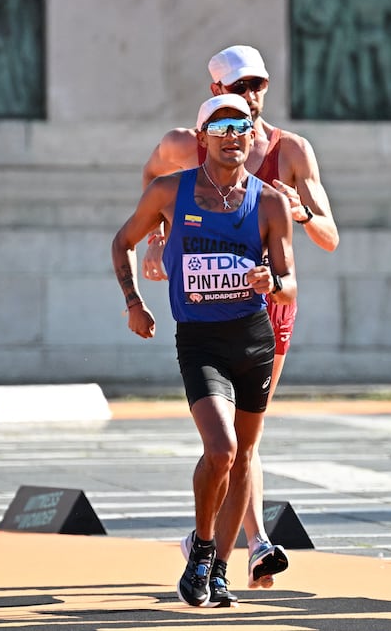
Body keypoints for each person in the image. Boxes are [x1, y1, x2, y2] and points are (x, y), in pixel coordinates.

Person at [140, 45, 339, 589]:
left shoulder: (290, 150)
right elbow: (151, 179)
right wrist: (157, 239)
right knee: (228, 442)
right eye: (237, 87)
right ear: (215, 93)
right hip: (208, 314)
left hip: (269, 307)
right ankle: (253, 544)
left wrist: (302, 213)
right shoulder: (186, 145)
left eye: (257, 85)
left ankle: (217, 543)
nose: (249, 96)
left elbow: (329, 237)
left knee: (246, 439)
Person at [111, 94, 297, 607]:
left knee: (242, 460)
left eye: (242, 126)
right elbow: (122, 240)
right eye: (222, 128)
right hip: (199, 341)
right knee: (222, 450)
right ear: (202, 139)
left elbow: (290, 285)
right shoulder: (171, 192)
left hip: (253, 340)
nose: (234, 136)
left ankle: (219, 571)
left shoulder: (271, 202)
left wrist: (271, 279)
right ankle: (202, 549)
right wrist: (134, 303)